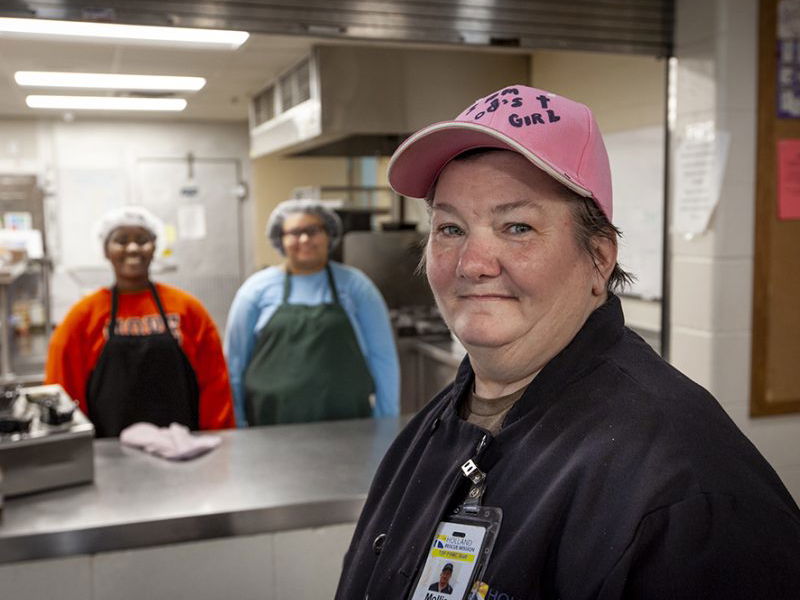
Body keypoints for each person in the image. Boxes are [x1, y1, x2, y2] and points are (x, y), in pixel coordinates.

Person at [336, 85, 800, 599]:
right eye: (450, 228)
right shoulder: (436, 429)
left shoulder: (686, 489)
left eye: (517, 226)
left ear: (598, 259)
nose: (472, 263)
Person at [45, 206, 235, 437]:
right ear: (105, 250)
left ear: (155, 247)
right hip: (109, 456)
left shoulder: (188, 309)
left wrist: (220, 442)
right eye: (121, 240)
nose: (133, 248)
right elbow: (63, 390)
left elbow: (215, 384)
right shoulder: (83, 316)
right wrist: (75, 448)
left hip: (183, 452)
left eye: (142, 239)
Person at [224, 199, 399, 426]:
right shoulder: (255, 291)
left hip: (349, 424)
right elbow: (234, 365)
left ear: (329, 235)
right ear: (280, 238)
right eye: (295, 232)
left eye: (313, 230)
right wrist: (237, 422)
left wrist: (386, 423)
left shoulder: (356, 287)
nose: (305, 239)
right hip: (268, 422)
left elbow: (383, 357)